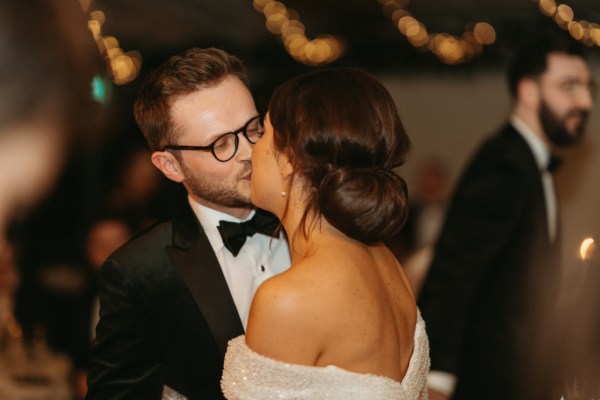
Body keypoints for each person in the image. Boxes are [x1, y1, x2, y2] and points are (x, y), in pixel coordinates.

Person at [86, 47, 291, 399]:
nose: (249, 152)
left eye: (254, 128)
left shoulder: (317, 223)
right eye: (221, 144)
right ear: (171, 166)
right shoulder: (139, 271)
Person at [220, 68, 430, 399]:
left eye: (262, 133)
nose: (249, 151)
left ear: (289, 159)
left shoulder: (289, 299)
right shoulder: (387, 263)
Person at [418, 34, 595, 400]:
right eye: (570, 87)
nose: (586, 101)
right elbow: (453, 276)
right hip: (484, 385)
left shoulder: (528, 165)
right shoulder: (504, 165)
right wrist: (437, 379)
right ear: (529, 92)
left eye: (588, 88)